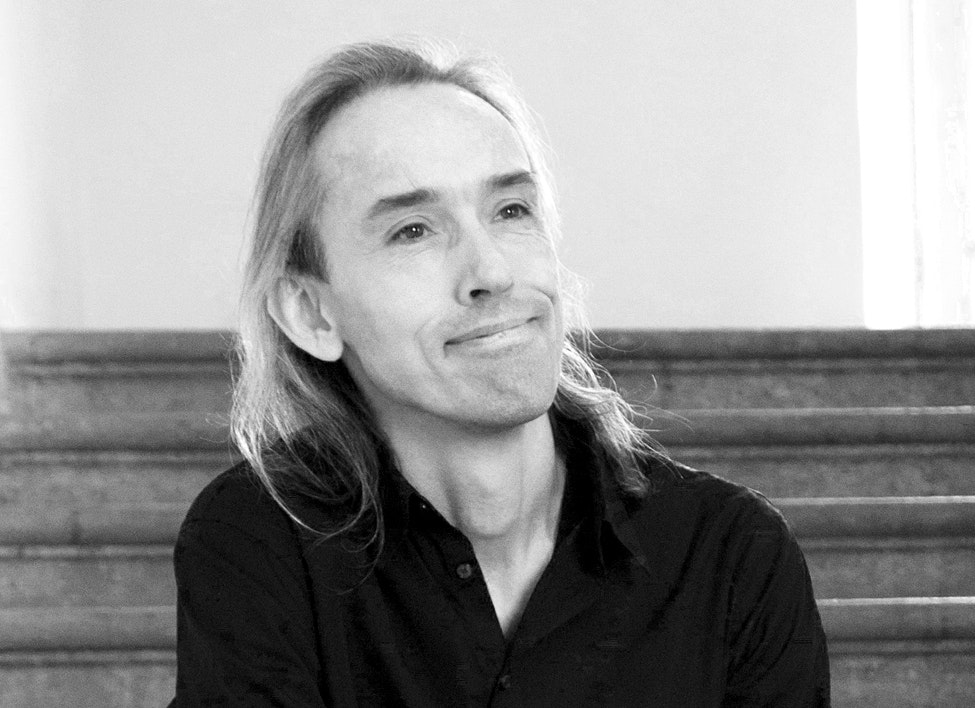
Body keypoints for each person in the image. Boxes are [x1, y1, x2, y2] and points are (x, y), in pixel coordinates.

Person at [170, 39, 830, 706]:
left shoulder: (732, 556)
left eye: (511, 211)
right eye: (413, 230)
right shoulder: (256, 541)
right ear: (312, 312)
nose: (491, 271)